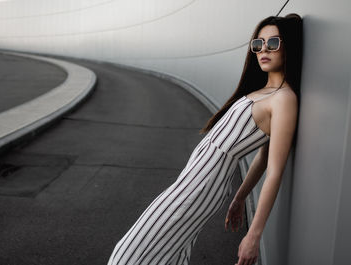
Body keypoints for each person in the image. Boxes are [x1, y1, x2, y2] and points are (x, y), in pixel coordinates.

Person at [107, 13, 303, 265]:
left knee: (127, 255)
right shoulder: (263, 91)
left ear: (289, 46)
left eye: (273, 43)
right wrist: (240, 197)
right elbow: (263, 157)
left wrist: (253, 235)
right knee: (169, 256)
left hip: (198, 188)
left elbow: (274, 169)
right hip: (191, 184)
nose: (263, 50)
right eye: (258, 43)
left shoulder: (284, 100)